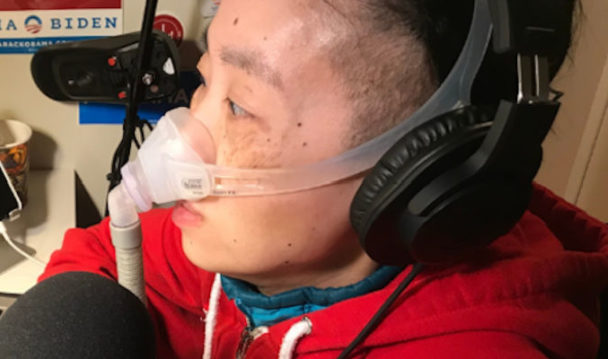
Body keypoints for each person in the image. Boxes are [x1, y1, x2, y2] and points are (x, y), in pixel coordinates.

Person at [40, 0, 607, 358]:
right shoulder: (233, 242)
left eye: (240, 105)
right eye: (206, 80)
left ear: (412, 166)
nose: (185, 136)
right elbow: (96, 258)